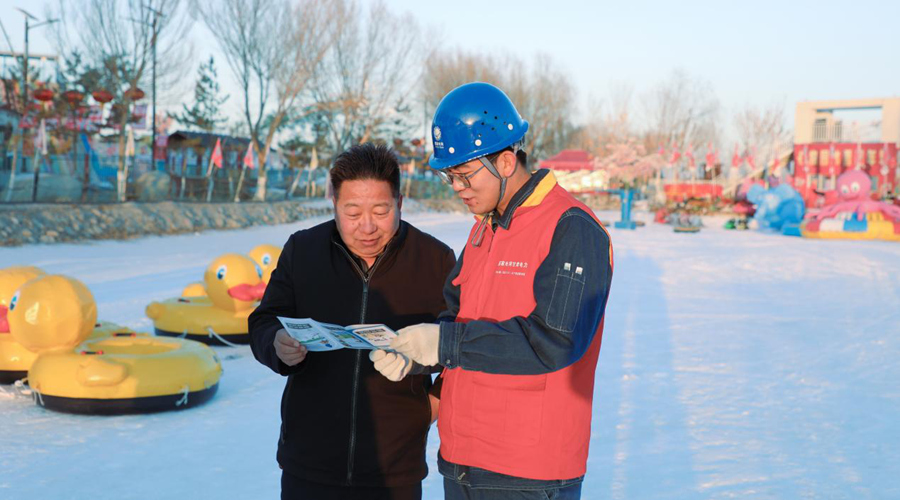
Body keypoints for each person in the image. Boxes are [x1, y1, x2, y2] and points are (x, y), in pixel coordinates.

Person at [374, 82, 613, 499]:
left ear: (505, 161)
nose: (457, 188)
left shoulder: (571, 227)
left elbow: (555, 341)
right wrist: (417, 354)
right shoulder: (484, 230)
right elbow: (456, 318)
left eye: (465, 175)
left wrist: (445, 343)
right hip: (463, 461)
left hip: (528, 472)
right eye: (451, 176)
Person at [248, 143, 456, 500]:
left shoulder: (435, 259)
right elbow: (263, 321)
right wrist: (276, 343)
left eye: (380, 210)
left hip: (395, 471)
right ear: (334, 205)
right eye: (353, 211)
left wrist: (432, 403)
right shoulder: (303, 250)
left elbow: (456, 344)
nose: (367, 227)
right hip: (308, 464)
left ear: (400, 203)